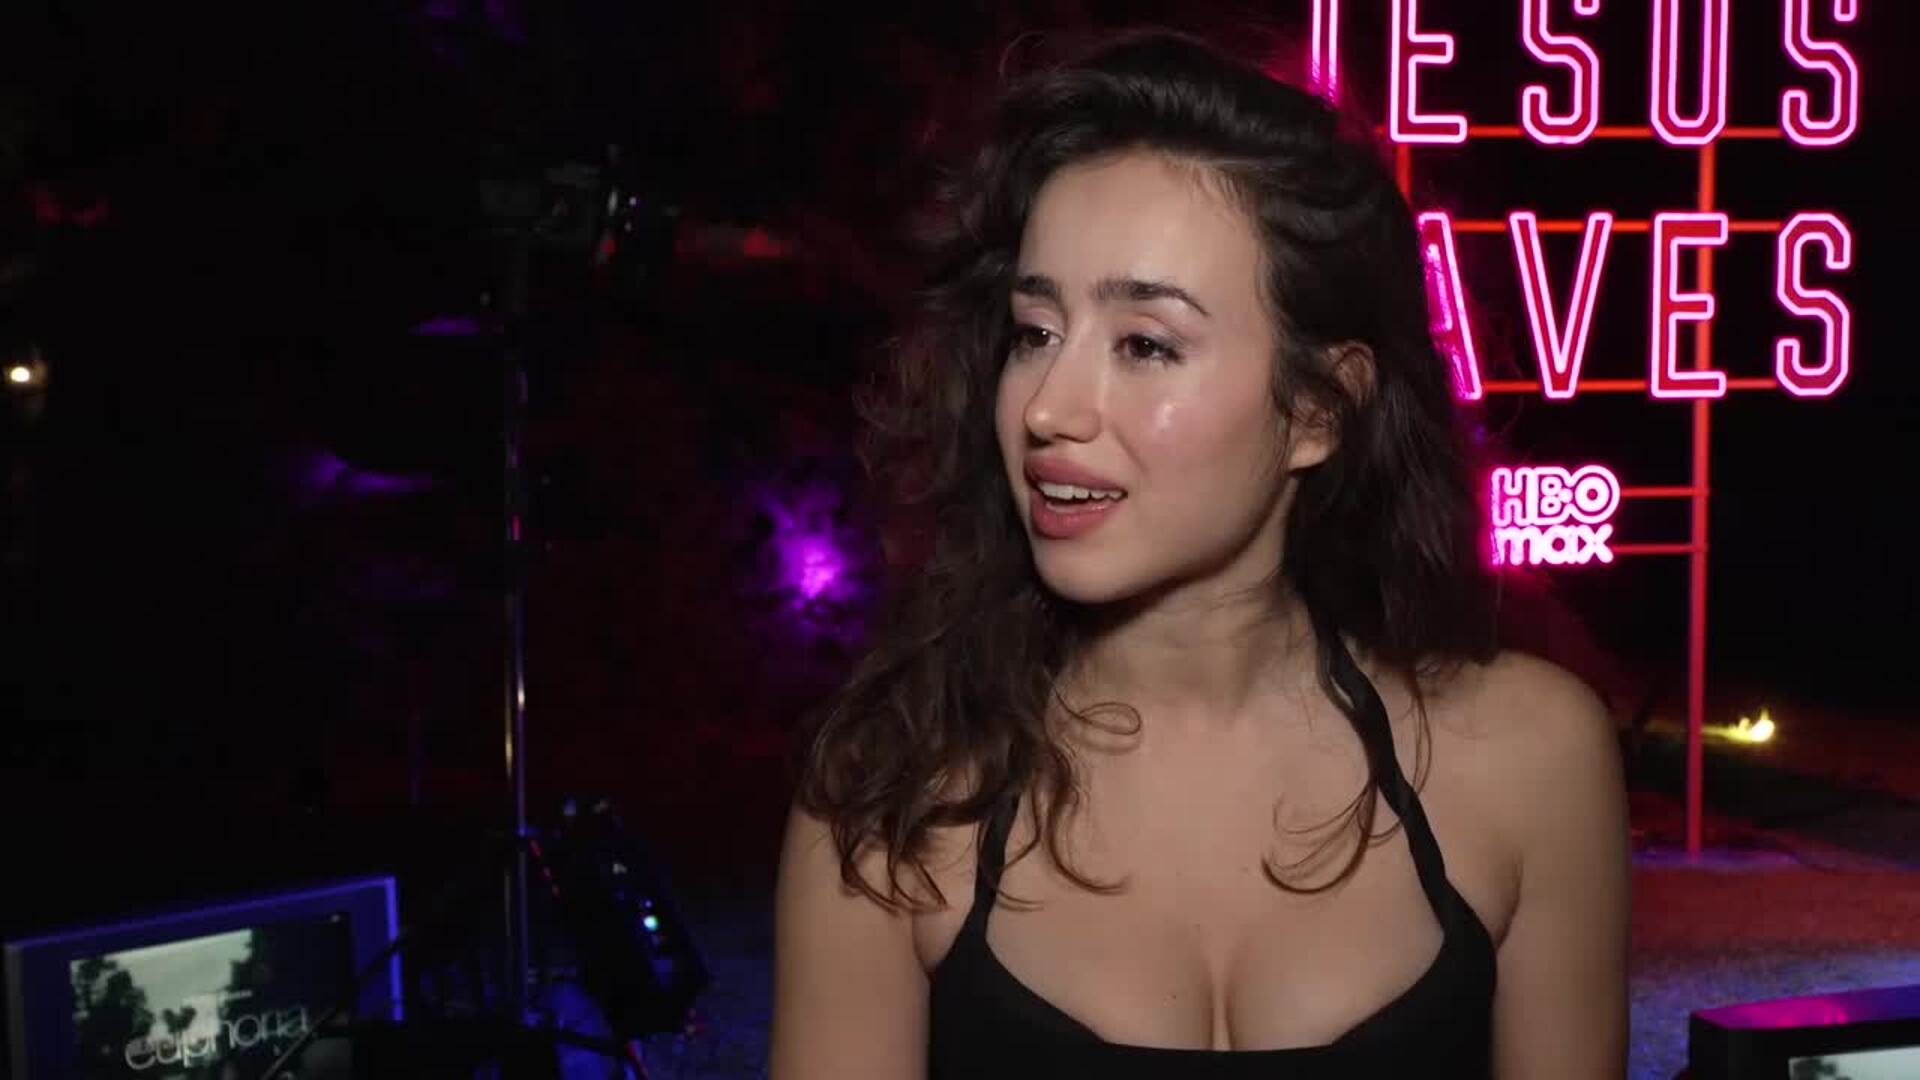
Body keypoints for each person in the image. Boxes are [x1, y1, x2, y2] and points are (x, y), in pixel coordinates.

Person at [770, 27, 1629, 1080]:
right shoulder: (891, 791)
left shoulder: (1532, 762)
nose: (1047, 407)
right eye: (1036, 331)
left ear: (1319, 408)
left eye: (1145, 344)